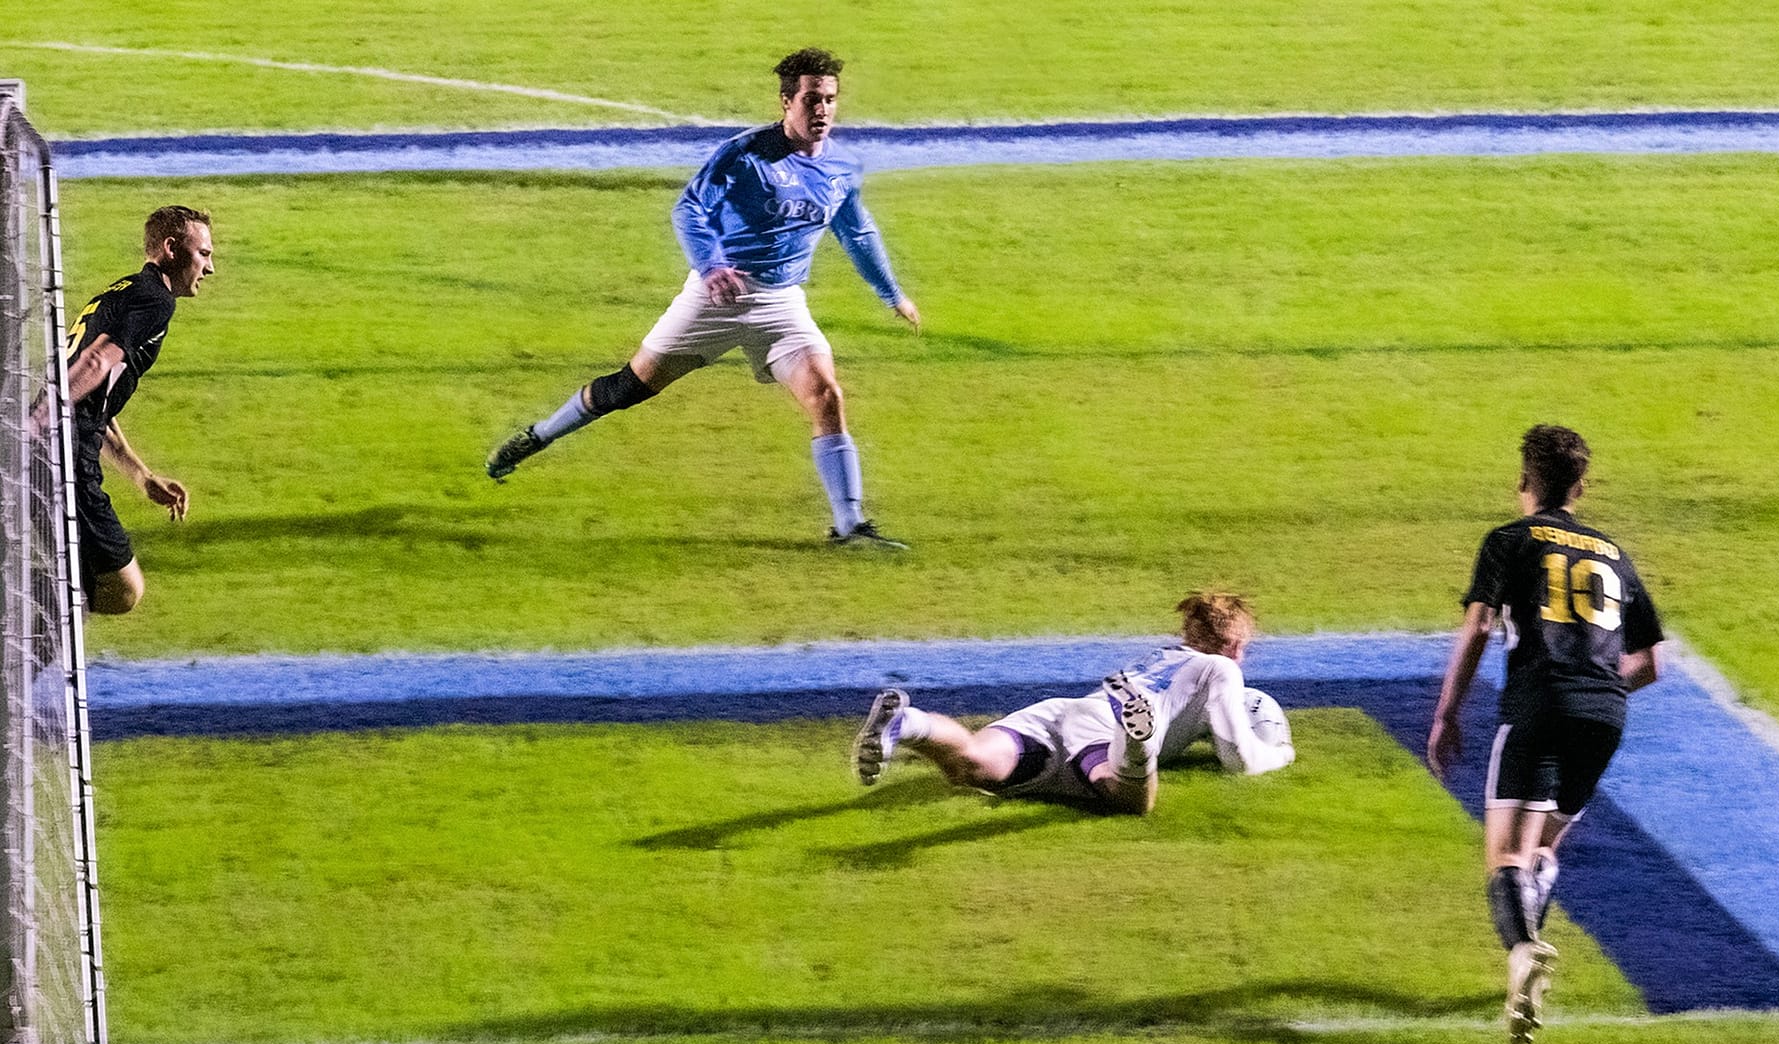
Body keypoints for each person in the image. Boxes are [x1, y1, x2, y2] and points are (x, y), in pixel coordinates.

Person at [487, 47, 919, 549]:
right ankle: (537, 435)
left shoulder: (843, 167)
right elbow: (690, 208)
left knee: (827, 397)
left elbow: (857, 232)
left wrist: (892, 294)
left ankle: (850, 527)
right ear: (786, 102)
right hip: (718, 298)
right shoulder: (745, 154)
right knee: (629, 389)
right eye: (810, 99)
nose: (821, 110)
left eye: (829, 100)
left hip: (782, 303)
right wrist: (711, 265)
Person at [1426, 425, 1663, 1044]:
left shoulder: (1509, 541)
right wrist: (1597, 691)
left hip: (1538, 703)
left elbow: (1478, 628)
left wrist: (1448, 711)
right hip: (1606, 714)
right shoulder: (1613, 552)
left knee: (1504, 852)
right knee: (1544, 847)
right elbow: (1651, 662)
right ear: (1581, 487)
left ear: (1523, 483)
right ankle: (1525, 961)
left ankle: (1524, 950)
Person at [853, 592, 1296, 815]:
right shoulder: (1222, 671)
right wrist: (1280, 752)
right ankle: (1136, 742)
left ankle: (907, 723)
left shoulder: (1162, 657)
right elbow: (1240, 759)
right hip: (1102, 728)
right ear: (1235, 643)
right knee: (1130, 800)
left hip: (1058, 713)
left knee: (970, 765)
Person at [62, 204, 212, 614]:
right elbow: (94, 364)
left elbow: (95, 404)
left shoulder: (120, 292)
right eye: (204, 254)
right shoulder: (157, 302)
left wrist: (141, 476)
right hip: (67, 460)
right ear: (170, 248)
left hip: (61, 445)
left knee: (76, 583)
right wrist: (40, 423)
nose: (210, 268)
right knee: (122, 590)